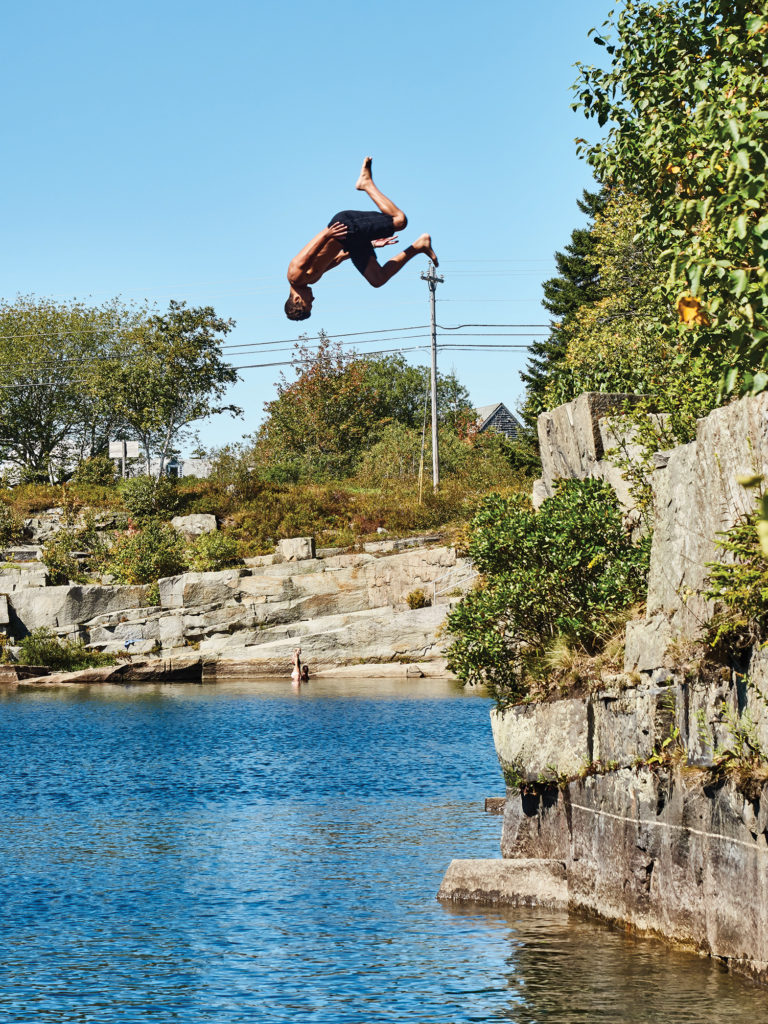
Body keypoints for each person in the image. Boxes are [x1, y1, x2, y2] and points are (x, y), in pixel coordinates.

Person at [285, 157, 438, 321]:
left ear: (296, 299)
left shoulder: (294, 276)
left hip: (344, 227)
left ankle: (366, 184)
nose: (313, 299)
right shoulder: (311, 280)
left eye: (310, 303)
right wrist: (371, 243)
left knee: (400, 220)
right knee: (377, 279)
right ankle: (419, 246)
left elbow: (306, 253)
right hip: (350, 242)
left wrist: (326, 233)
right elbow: (336, 259)